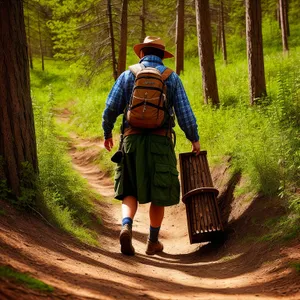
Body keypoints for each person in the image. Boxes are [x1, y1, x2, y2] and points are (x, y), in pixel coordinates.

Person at [102, 36, 200, 256]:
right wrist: (194, 138)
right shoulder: (171, 78)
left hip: (131, 141)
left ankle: (126, 226)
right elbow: (185, 113)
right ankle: (153, 241)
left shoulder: (128, 75)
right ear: (162, 56)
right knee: (159, 192)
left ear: (141, 53)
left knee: (129, 188)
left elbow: (110, 108)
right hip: (160, 141)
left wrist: (107, 133)